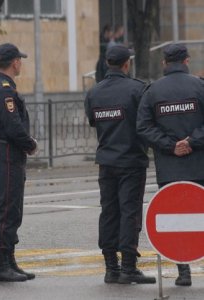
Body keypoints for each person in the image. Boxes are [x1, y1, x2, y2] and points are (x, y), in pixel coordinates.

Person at [84, 45, 156, 285]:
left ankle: (110, 268)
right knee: (129, 212)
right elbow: (145, 122)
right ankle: (128, 267)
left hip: (106, 161)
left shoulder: (94, 92)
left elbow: (94, 122)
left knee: (109, 212)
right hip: (131, 161)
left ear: (107, 63)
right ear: (127, 64)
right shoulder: (137, 89)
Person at [137, 43, 204, 287]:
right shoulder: (200, 86)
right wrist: (192, 141)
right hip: (199, 166)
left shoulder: (153, 91)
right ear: (186, 61)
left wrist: (170, 145)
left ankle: (183, 271)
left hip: (169, 167)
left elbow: (143, 127)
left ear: (164, 63)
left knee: (176, 220)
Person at [0, 43, 38, 282]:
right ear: (15, 62)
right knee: (7, 210)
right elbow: (12, 124)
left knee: (14, 208)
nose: (21, 63)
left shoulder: (2, 87)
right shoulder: (4, 89)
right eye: (20, 60)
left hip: (9, 152)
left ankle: (9, 260)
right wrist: (30, 143)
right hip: (7, 152)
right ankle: (0, 265)